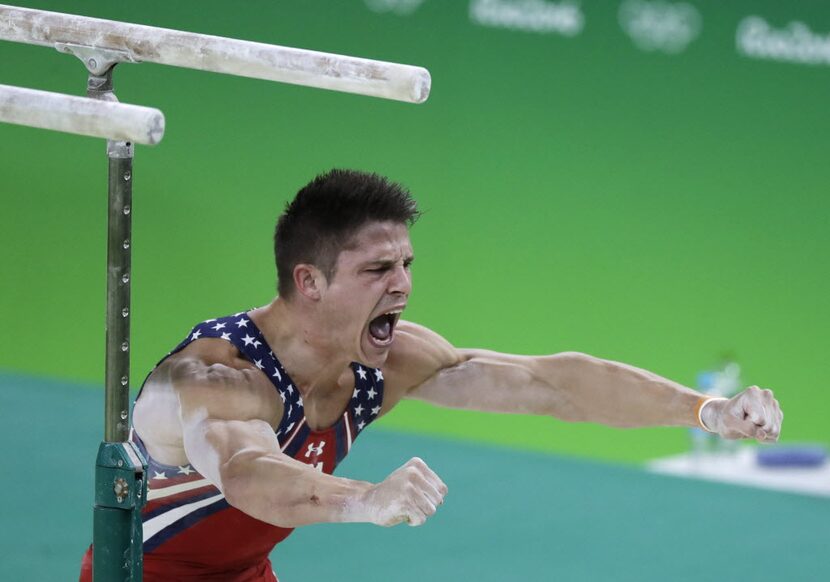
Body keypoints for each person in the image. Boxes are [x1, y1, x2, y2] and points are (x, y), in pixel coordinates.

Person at [79, 169, 783, 581]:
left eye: (407, 265)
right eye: (377, 270)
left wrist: (708, 411)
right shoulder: (214, 378)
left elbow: (553, 384)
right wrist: (364, 498)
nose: (403, 286)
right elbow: (249, 475)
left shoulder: (383, 361)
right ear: (310, 281)